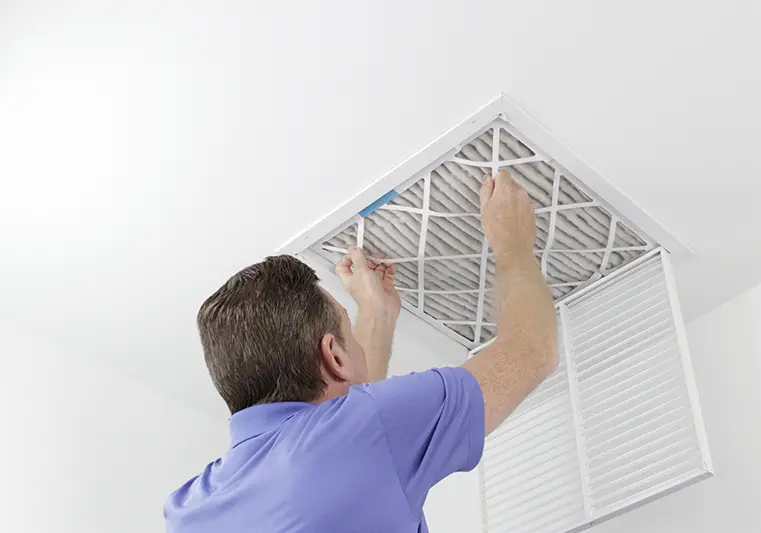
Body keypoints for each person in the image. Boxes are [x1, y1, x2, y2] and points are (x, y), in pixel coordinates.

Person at [164, 170, 558, 532]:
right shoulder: (363, 430)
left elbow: (346, 435)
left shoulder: (187, 510)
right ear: (334, 356)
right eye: (347, 331)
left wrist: (375, 315)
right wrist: (513, 242)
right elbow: (532, 350)